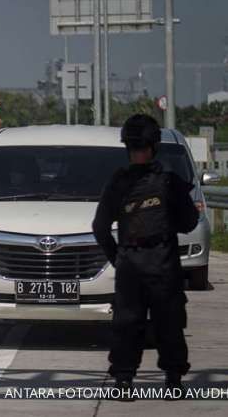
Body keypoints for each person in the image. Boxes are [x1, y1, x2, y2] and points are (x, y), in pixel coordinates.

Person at [92, 114, 199, 400]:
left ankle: (124, 383)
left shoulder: (118, 182)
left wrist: (119, 257)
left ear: (128, 146)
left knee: (127, 324)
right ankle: (174, 382)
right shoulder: (170, 182)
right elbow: (190, 222)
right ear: (155, 146)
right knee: (170, 323)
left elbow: (99, 228)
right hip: (163, 262)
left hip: (130, 264)